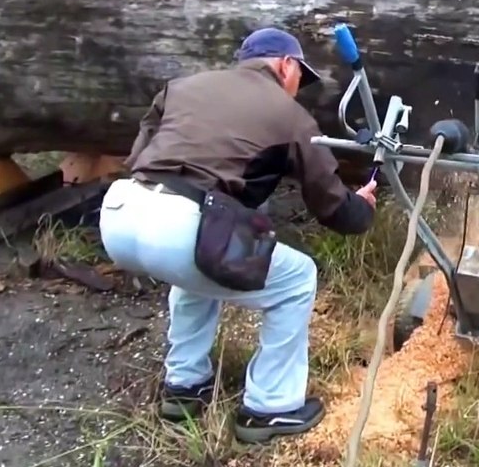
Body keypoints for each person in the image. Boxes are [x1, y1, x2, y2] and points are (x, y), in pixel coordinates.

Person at [98, 27, 378, 444]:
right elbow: (331, 206)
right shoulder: (289, 115)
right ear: (286, 65)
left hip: (121, 214)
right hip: (179, 229)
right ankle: (272, 407)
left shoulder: (182, 87)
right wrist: (363, 207)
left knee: (196, 267)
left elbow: (142, 154)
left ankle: (184, 385)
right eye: (300, 75)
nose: (298, 87)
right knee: (296, 278)